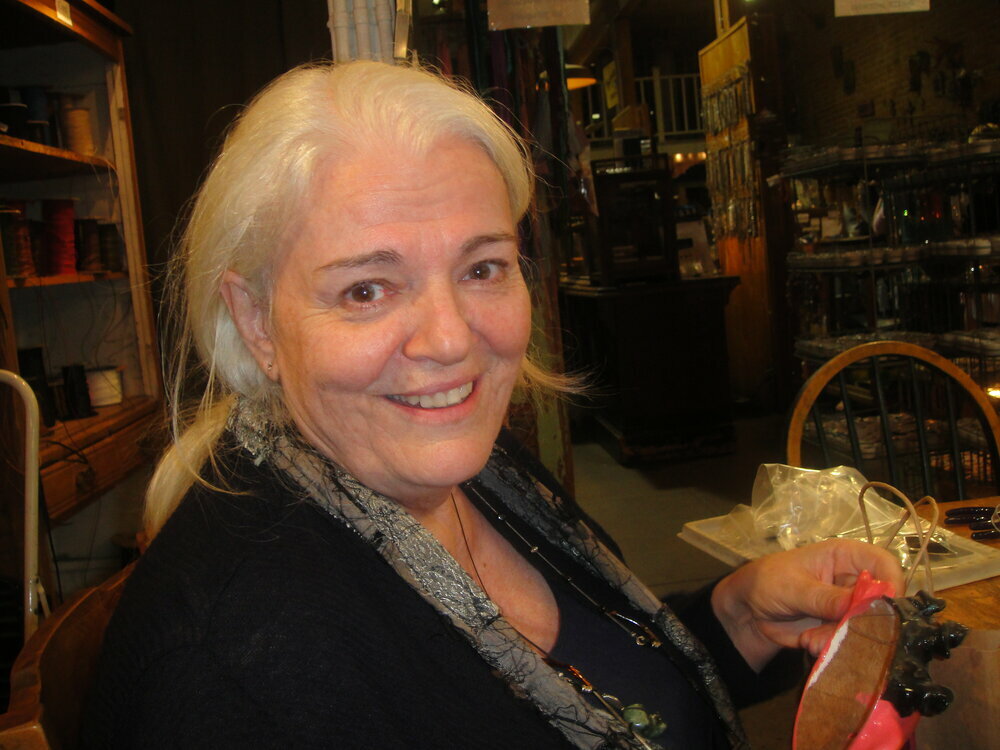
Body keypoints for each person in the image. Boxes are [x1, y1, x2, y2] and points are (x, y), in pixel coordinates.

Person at [82, 61, 902, 750]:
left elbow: (591, 698)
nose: (450, 340)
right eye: (367, 289)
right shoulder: (227, 676)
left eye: (482, 269)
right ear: (257, 321)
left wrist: (737, 619)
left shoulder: (465, 469)